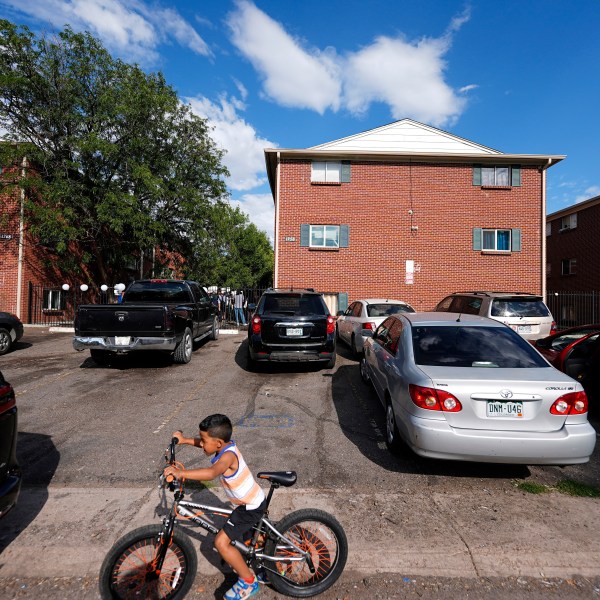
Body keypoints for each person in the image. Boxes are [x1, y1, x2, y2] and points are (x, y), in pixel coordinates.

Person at [163, 414, 264, 600]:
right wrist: (184, 440)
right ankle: (259, 546)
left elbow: (211, 473)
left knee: (220, 543)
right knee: (246, 540)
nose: (201, 444)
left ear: (218, 443)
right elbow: (204, 442)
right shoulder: (223, 445)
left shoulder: (228, 457)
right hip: (249, 500)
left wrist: (180, 473)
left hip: (249, 507)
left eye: (203, 441)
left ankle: (248, 581)